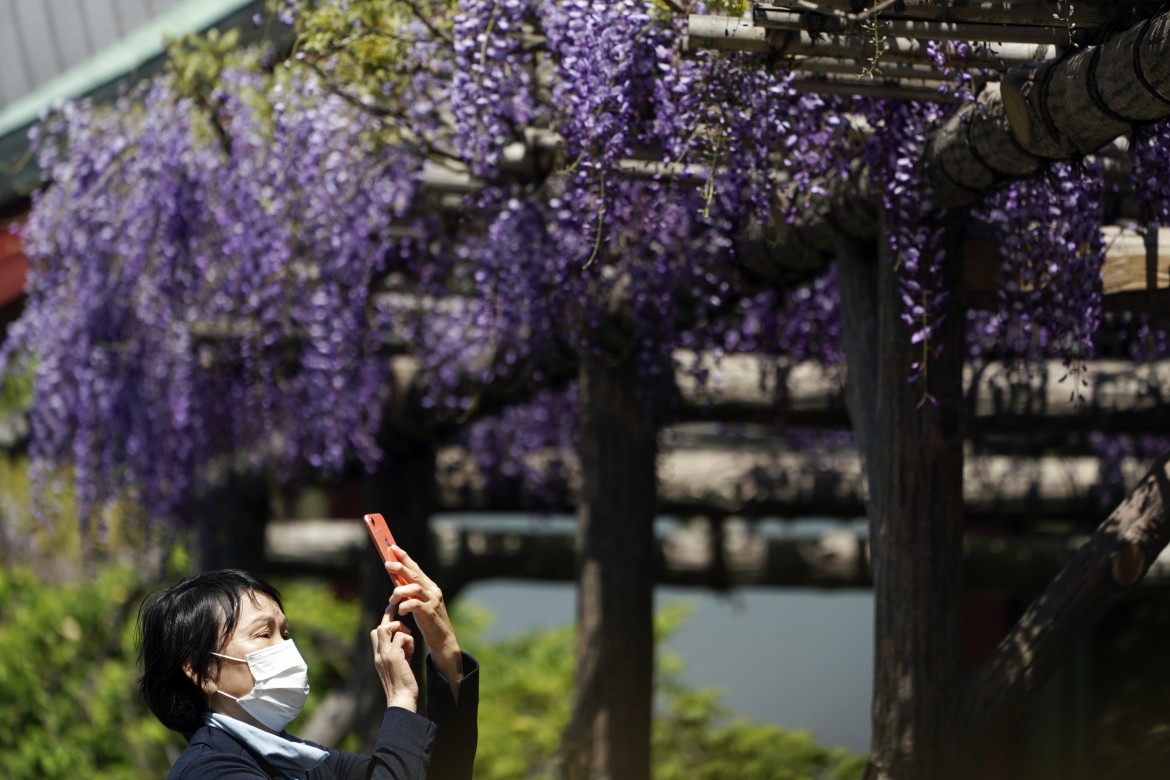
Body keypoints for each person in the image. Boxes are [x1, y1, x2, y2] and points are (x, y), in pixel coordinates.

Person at [137, 544, 477, 780]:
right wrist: (401, 698)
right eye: (263, 634)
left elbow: (433, 770)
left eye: (285, 633)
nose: (285, 647)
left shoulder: (304, 764)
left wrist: (443, 646)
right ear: (203, 671)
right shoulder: (209, 770)